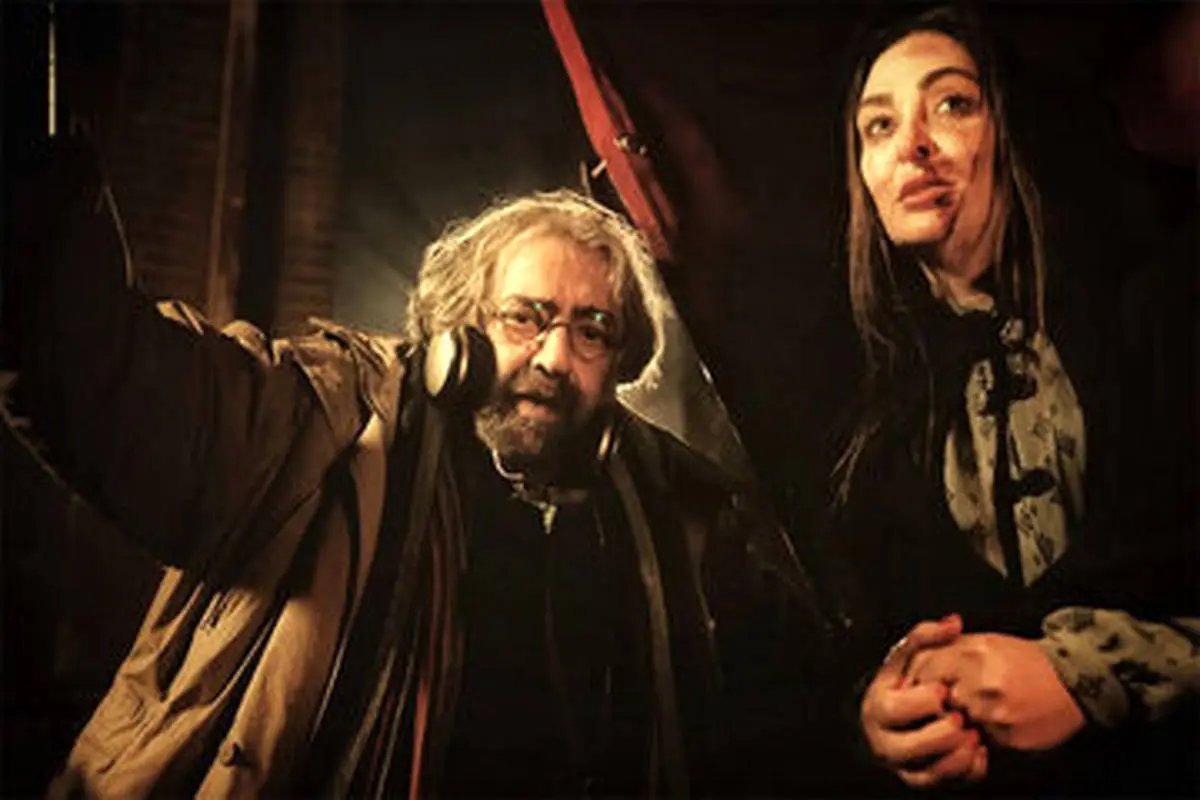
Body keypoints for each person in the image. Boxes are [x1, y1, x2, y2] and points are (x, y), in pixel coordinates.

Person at [5, 140, 822, 797]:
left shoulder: (677, 508)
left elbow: (787, 690)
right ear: (460, 332)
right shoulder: (326, 421)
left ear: (621, 362)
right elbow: (109, 381)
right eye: (526, 317)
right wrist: (38, 189)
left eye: (592, 330)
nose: (554, 357)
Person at [826, 6, 1199, 794]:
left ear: (1007, 129)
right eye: (879, 125)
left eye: (952, 104)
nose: (914, 144)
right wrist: (877, 715)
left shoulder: (1155, 311)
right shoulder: (865, 412)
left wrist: (1092, 674)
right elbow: (851, 641)